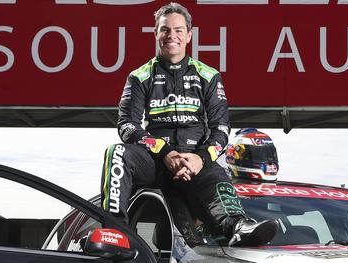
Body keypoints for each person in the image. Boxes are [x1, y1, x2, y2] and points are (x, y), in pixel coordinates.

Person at [101, 2, 277, 246]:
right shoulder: (139, 76)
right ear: (155, 33)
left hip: (195, 161)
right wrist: (165, 152)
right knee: (117, 152)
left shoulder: (208, 75)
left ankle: (239, 225)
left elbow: (221, 129)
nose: (171, 36)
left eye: (178, 30)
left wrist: (200, 158)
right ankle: (114, 232)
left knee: (217, 173)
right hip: (155, 161)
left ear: (189, 36)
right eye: (165, 30)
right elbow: (127, 126)